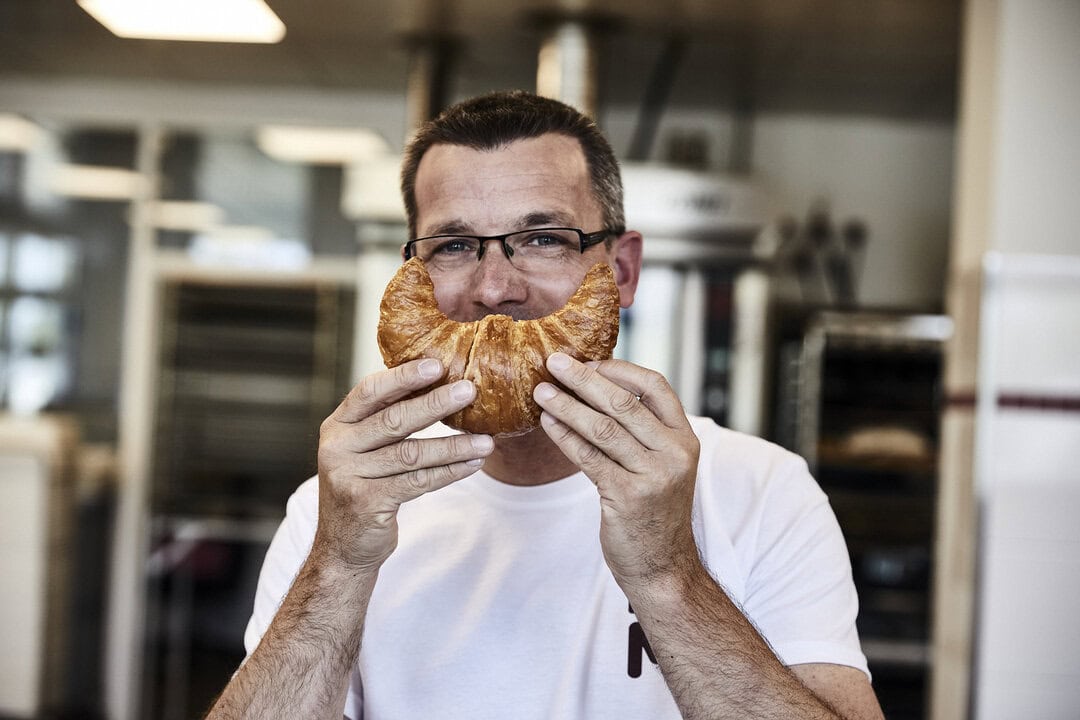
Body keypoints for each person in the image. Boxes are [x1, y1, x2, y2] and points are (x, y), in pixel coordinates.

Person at [206, 90, 884, 720]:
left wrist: (666, 575)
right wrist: (338, 567)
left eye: (543, 239)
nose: (495, 287)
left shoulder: (760, 493)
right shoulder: (335, 511)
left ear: (621, 271)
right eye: (454, 245)